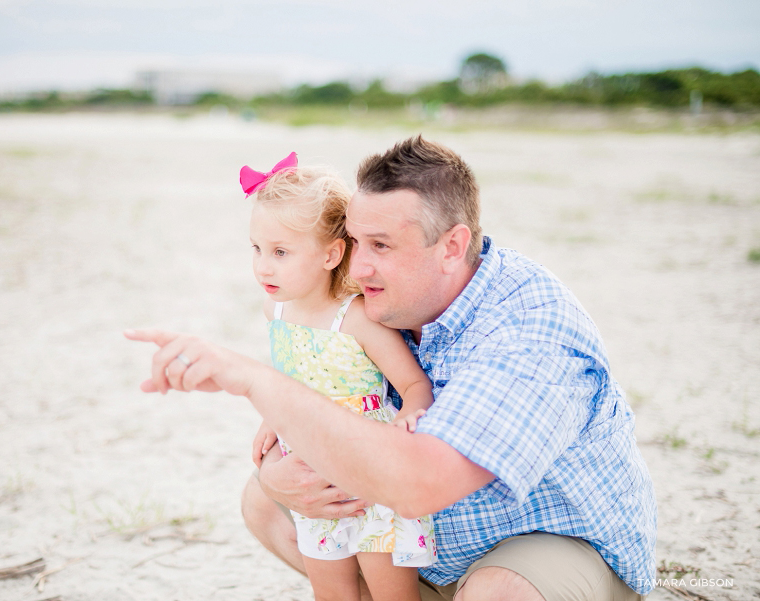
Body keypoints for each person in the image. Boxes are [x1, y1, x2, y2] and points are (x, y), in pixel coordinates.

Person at [126, 136, 656, 601]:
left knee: (500, 591)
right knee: (265, 497)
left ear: (452, 246)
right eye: (355, 242)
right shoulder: (390, 298)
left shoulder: (528, 330)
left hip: (541, 550)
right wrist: (283, 456)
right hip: (424, 543)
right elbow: (336, 393)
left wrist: (252, 380)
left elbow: (419, 481)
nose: (357, 266)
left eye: (380, 246)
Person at [240, 151, 436, 601]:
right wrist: (275, 415)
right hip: (313, 470)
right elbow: (291, 378)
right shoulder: (277, 309)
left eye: (281, 252)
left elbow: (412, 384)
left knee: (390, 592)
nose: (263, 266)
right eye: (257, 249)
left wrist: (412, 413)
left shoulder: (357, 319)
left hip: (369, 472)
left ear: (331, 254)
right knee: (331, 591)